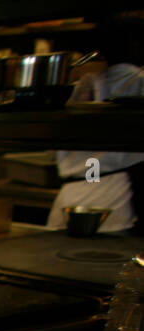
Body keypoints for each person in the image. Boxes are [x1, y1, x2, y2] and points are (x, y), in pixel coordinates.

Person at [46, 18, 144, 234]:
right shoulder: (139, 82)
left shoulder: (83, 86)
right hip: (110, 197)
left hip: (68, 195)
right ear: (137, 46)